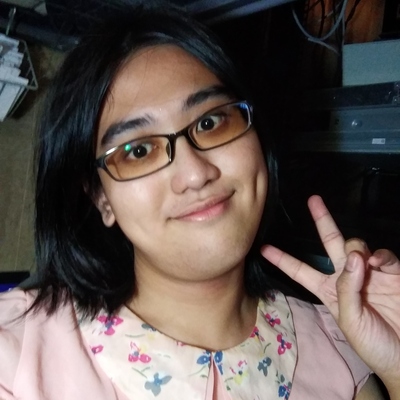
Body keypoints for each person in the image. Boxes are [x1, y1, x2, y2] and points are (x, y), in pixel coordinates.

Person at [0, 4, 399, 400]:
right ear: (101, 197)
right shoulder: (15, 360)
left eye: (210, 122)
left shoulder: (339, 348)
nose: (195, 174)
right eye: (139, 151)